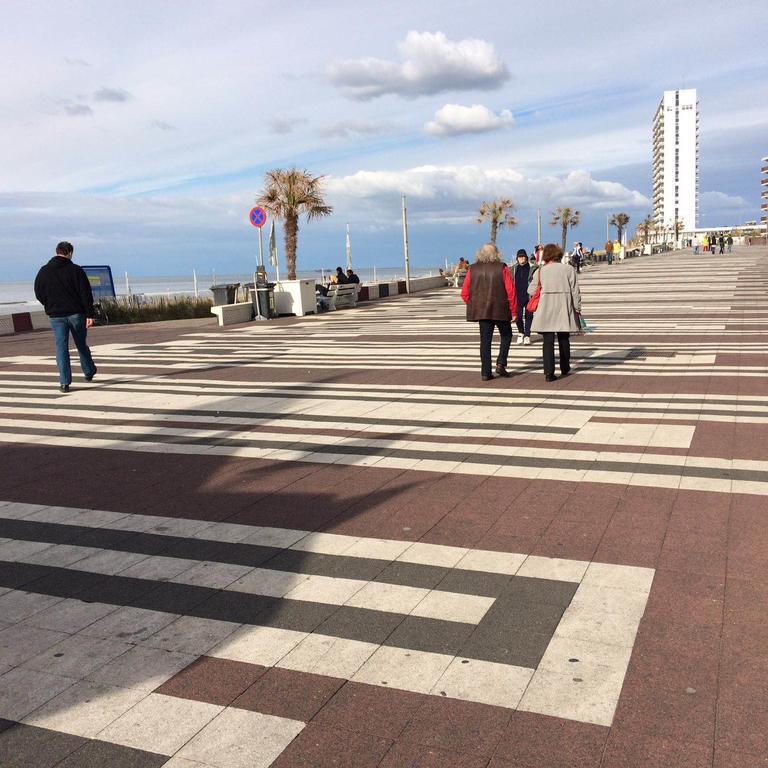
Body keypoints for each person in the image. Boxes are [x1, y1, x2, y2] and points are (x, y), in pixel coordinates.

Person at [33, 241, 97, 393]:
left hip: (56, 316)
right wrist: (90, 314)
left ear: (56, 252)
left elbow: (38, 292)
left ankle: (64, 382)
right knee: (81, 344)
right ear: (70, 253)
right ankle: (88, 371)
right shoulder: (76, 270)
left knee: (61, 347)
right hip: (76, 314)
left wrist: (49, 305)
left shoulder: (44, 271)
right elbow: (85, 293)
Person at [461, 243, 517, 380]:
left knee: (485, 341)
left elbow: (464, 293)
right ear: (496, 253)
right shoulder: (501, 268)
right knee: (507, 335)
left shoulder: (472, 269)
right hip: (500, 309)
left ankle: (485, 372)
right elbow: (511, 291)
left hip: (482, 312)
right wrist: (514, 311)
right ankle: (501, 363)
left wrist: (474, 304)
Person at [530, 243, 581, 382]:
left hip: (546, 308)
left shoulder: (540, 271)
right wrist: (577, 308)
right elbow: (575, 291)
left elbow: (531, 290)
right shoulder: (569, 269)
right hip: (564, 307)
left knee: (548, 341)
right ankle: (565, 367)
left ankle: (548, 372)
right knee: (564, 338)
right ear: (559, 254)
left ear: (546, 255)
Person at [511, 248, 537, 345]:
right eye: (519, 257)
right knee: (518, 316)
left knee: (529, 316)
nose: (521, 259)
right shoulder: (514, 269)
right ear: (517, 258)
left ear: (526, 258)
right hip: (517, 296)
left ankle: (527, 335)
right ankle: (521, 332)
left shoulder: (533, 268)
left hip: (529, 296)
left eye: (523, 257)